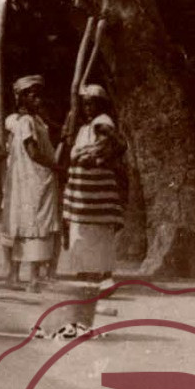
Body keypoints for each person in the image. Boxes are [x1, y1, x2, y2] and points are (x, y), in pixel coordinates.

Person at [62, 84, 127, 281]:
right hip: (84, 193)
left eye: (92, 104)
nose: (88, 108)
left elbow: (116, 143)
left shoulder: (102, 122)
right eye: (85, 104)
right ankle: (88, 273)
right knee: (84, 233)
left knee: (96, 234)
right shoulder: (84, 128)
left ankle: (98, 275)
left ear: (101, 105)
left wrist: (97, 158)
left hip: (96, 192)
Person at [3, 75, 60, 291]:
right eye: (33, 97)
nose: (38, 101)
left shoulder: (34, 121)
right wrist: (55, 167)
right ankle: (34, 279)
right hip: (34, 179)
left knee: (27, 225)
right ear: (22, 98)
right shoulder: (25, 121)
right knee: (36, 225)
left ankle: (16, 276)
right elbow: (33, 152)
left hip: (34, 179)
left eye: (39, 97)